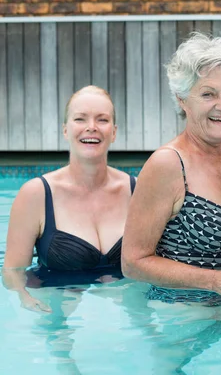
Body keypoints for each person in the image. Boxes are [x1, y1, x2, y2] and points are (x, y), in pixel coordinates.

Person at [121, 32, 221, 303]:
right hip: (181, 320)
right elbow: (132, 262)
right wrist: (214, 281)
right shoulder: (168, 164)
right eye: (208, 94)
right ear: (182, 99)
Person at [2, 86, 136, 312]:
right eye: (80, 119)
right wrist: (27, 301)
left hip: (123, 310)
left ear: (114, 131)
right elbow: (13, 273)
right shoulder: (36, 194)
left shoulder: (136, 191)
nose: (91, 127)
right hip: (58, 311)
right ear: (66, 130)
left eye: (102, 120)